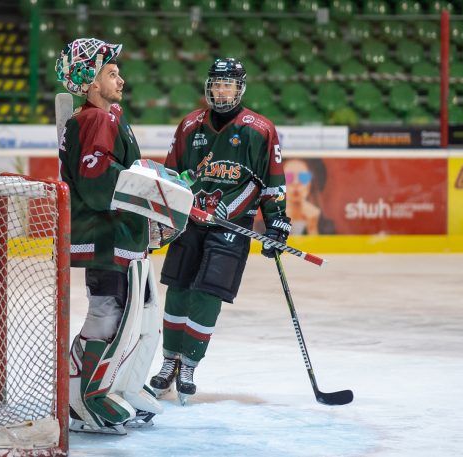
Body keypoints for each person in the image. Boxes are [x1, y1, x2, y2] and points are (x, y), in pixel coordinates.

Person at [149, 57, 291, 404]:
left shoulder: (260, 129)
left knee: (209, 292)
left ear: (239, 89)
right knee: (179, 287)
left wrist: (277, 223)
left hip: (233, 224)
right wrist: (168, 215)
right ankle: (169, 361)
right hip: (191, 220)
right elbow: (171, 176)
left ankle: (189, 365)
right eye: (216, 83)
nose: (221, 90)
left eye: (228, 84)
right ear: (208, 87)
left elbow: (271, 184)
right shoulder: (189, 126)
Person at [55, 37, 162, 434]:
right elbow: (99, 183)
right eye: (112, 73)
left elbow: (118, 170)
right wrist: (152, 187)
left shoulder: (107, 116)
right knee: (109, 314)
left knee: (138, 315)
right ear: (90, 81)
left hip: (119, 234)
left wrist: (157, 178)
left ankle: (120, 385)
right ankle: (84, 397)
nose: (121, 79)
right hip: (104, 235)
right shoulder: (95, 119)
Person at [284, 158, 336, 235]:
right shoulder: (264, 225)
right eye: (289, 177)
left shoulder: (326, 226)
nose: (296, 183)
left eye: (303, 177)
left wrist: (312, 227)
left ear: (311, 184)